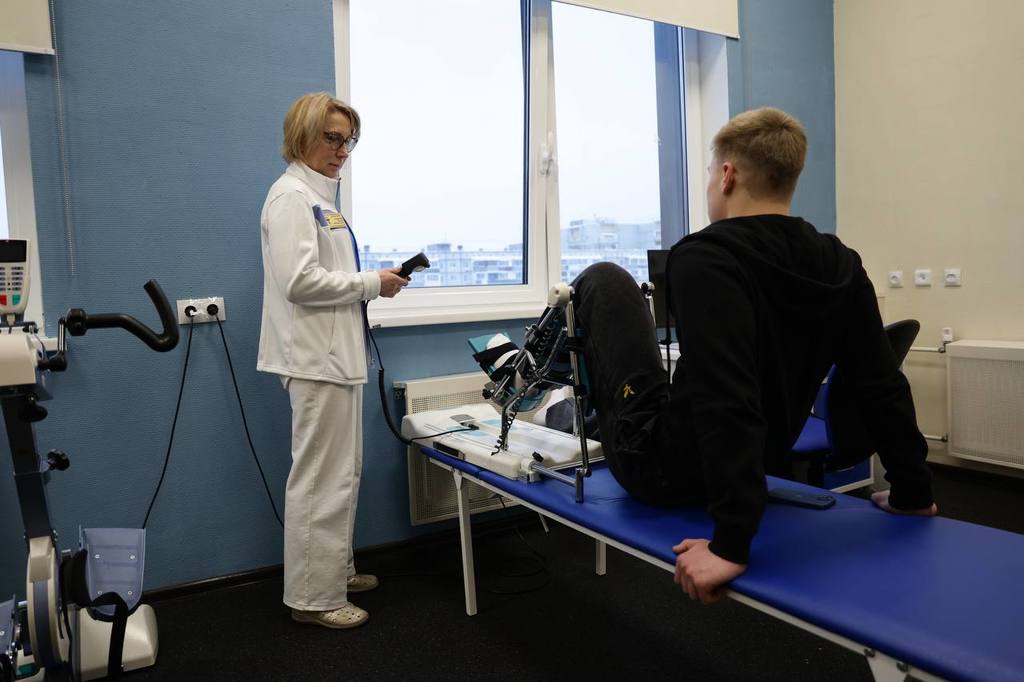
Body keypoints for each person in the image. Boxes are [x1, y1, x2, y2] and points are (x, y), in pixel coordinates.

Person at [564, 107, 937, 605]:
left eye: (709, 174)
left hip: (662, 471)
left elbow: (725, 395)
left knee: (604, 279)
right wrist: (914, 490)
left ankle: (550, 396)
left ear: (727, 175)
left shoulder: (705, 255)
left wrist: (730, 543)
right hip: (761, 466)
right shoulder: (841, 262)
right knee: (655, 386)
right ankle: (573, 411)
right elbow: (881, 384)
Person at [257, 92, 409, 629]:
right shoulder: (290, 198)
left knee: (342, 474)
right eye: (333, 138)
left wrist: (372, 282)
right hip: (315, 361)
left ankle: (334, 572)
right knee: (321, 479)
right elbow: (299, 282)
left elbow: (328, 276)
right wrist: (372, 283)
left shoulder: (322, 199)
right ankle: (313, 598)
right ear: (302, 135)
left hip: (336, 359)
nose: (343, 150)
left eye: (349, 140)